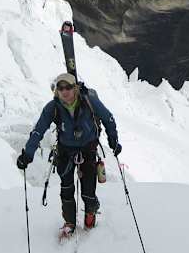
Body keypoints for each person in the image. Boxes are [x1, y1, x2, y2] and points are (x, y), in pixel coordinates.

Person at [16, 72, 121, 237]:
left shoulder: (89, 101)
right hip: (65, 150)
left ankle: (90, 211)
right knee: (66, 188)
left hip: (88, 148)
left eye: (68, 87)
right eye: (60, 88)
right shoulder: (53, 108)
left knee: (88, 188)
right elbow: (38, 131)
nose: (64, 91)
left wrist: (113, 141)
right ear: (56, 91)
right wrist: (27, 155)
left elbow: (108, 118)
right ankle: (70, 222)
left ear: (76, 88)